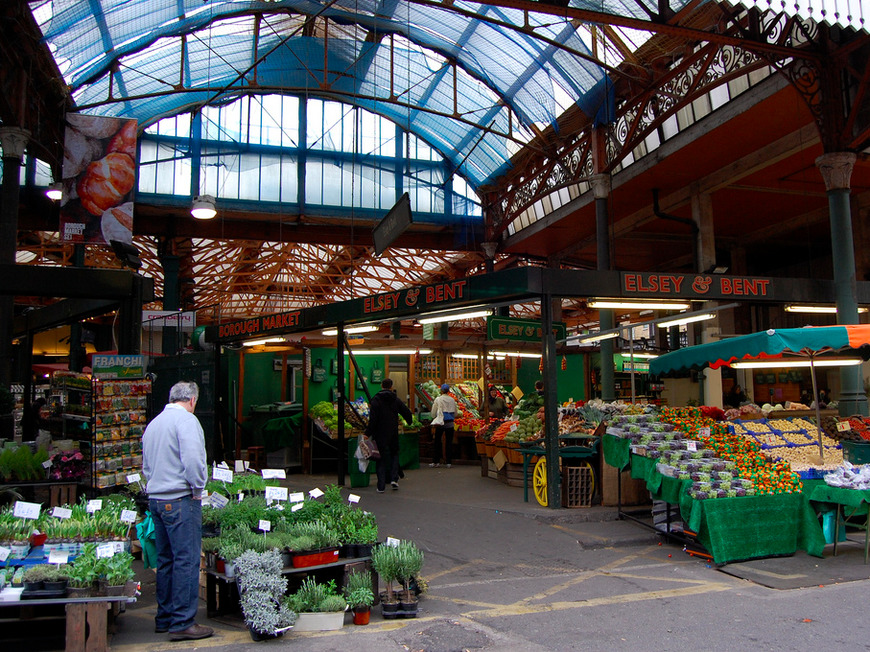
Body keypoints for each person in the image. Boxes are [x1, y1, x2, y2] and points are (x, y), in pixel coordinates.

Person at [142, 381, 213, 641]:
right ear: (192, 400)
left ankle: (165, 618)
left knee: (166, 560)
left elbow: (146, 467)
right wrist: (198, 489)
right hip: (180, 500)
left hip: (157, 500)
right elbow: (194, 460)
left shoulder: (154, 424)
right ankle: (183, 622)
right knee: (186, 560)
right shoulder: (187, 422)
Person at [366, 378, 413, 492]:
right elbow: (406, 411)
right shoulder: (395, 399)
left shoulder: (376, 400)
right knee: (394, 454)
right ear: (391, 386)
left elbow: (373, 419)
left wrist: (367, 433)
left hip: (380, 433)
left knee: (380, 458)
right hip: (392, 432)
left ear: (381, 385)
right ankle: (394, 479)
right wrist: (409, 421)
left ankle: (381, 486)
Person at [430, 383, 458, 468]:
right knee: (449, 442)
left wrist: (433, 417)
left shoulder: (438, 399)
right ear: (448, 391)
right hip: (450, 424)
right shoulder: (452, 400)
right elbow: (455, 413)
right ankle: (449, 462)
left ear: (441, 390)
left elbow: (433, 412)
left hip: (440, 423)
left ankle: (436, 461)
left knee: (437, 442)